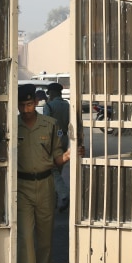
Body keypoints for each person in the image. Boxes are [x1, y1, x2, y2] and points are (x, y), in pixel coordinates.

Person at [16, 84, 72, 263]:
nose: (26, 109)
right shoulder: (12, 126)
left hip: (46, 185)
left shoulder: (49, 125)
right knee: (26, 240)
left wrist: (69, 156)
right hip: (22, 187)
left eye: (29, 104)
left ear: (37, 103)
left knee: (44, 239)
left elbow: (57, 157)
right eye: (22, 105)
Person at [43, 83, 71, 212]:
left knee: (51, 168)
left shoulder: (48, 106)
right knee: (58, 168)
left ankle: (63, 194)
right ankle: (54, 200)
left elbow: (46, 124)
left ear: (52, 93)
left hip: (53, 138)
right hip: (65, 137)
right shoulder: (67, 105)